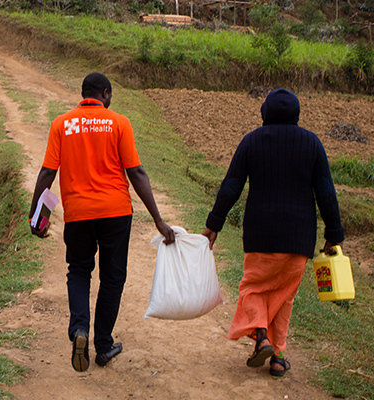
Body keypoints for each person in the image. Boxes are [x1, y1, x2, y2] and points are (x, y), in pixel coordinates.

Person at [30, 72, 175, 372]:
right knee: (112, 278)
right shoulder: (119, 123)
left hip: (78, 213)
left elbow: (47, 173)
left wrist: (35, 216)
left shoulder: (61, 123)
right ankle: (104, 345)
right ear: (106, 94)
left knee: (80, 270)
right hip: (116, 212)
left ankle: (79, 329)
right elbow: (136, 173)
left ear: (83, 95)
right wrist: (158, 220)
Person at [201, 88, 344, 378]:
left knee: (253, 288)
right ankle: (278, 357)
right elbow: (326, 192)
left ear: (265, 112)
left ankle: (262, 337)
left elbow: (232, 185)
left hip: (260, 234)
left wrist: (214, 224)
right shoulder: (312, 143)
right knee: (284, 295)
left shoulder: (252, 141)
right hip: (298, 238)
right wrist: (334, 232)